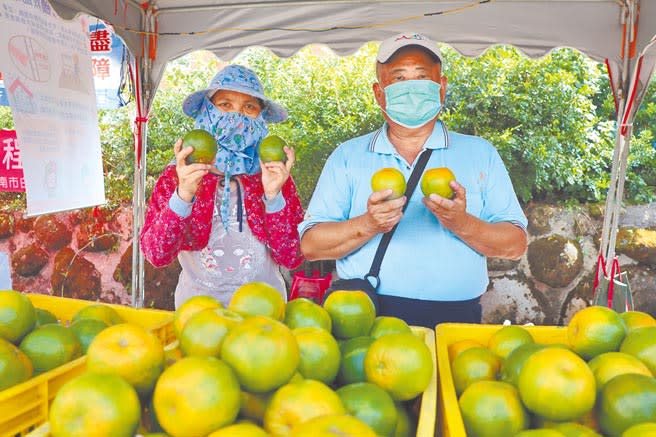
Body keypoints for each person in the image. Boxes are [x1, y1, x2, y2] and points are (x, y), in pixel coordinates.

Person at [299, 33, 528, 328]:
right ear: (379, 93)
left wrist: (461, 222)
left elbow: (515, 244)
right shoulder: (348, 156)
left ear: (441, 88)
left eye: (421, 78)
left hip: (456, 319)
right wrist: (369, 224)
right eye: (398, 79)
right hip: (363, 314)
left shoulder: (480, 153)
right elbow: (311, 245)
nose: (411, 89)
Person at [141, 64, 304, 308]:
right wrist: (183, 195)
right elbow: (156, 254)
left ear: (260, 117)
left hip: (264, 314)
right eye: (225, 104)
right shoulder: (178, 175)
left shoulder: (274, 174)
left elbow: (292, 257)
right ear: (207, 111)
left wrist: (273, 197)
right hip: (198, 316)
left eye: (249, 107)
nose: (236, 116)